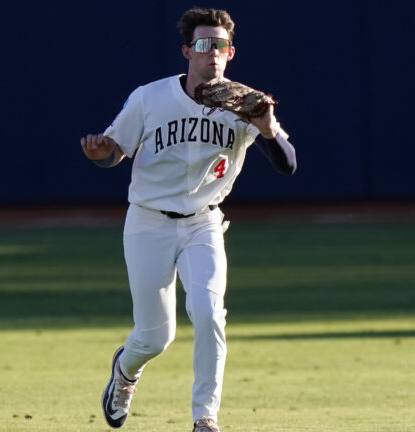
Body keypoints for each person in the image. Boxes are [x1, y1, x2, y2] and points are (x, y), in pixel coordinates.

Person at [79, 7, 296, 432]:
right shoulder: (150, 97)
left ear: (230, 53)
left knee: (209, 312)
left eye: (220, 46)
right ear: (186, 51)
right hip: (148, 221)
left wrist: (267, 128)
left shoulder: (245, 102)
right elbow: (114, 151)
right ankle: (125, 371)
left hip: (204, 223)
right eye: (203, 44)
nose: (212, 53)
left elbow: (287, 164)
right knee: (154, 338)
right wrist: (99, 154)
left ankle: (205, 418)